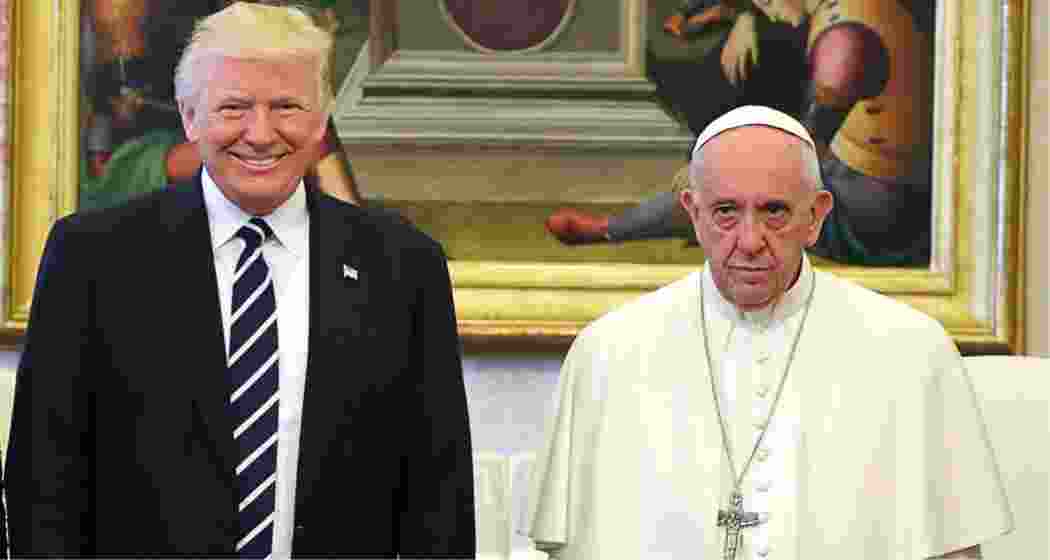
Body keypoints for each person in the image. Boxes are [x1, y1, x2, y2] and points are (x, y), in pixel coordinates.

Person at [5, 3, 475, 557]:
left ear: (321, 121)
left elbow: (437, 496)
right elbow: (44, 481)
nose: (260, 133)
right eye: (233, 107)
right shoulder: (92, 257)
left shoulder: (402, 266)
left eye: (286, 107)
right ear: (189, 116)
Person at [527, 106, 1011, 559]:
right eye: (725, 213)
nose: (750, 241)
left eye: (774, 211)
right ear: (693, 215)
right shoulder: (607, 354)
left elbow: (956, 551)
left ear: (817, 216)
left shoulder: (913, 353)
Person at [547, 0, 933, 266]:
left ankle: (610, 230)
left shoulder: (843, 41)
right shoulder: (856, 10)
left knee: (729, 187)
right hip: (880, 188)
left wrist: (725, 166)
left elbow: (803, 154)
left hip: (872, 213)